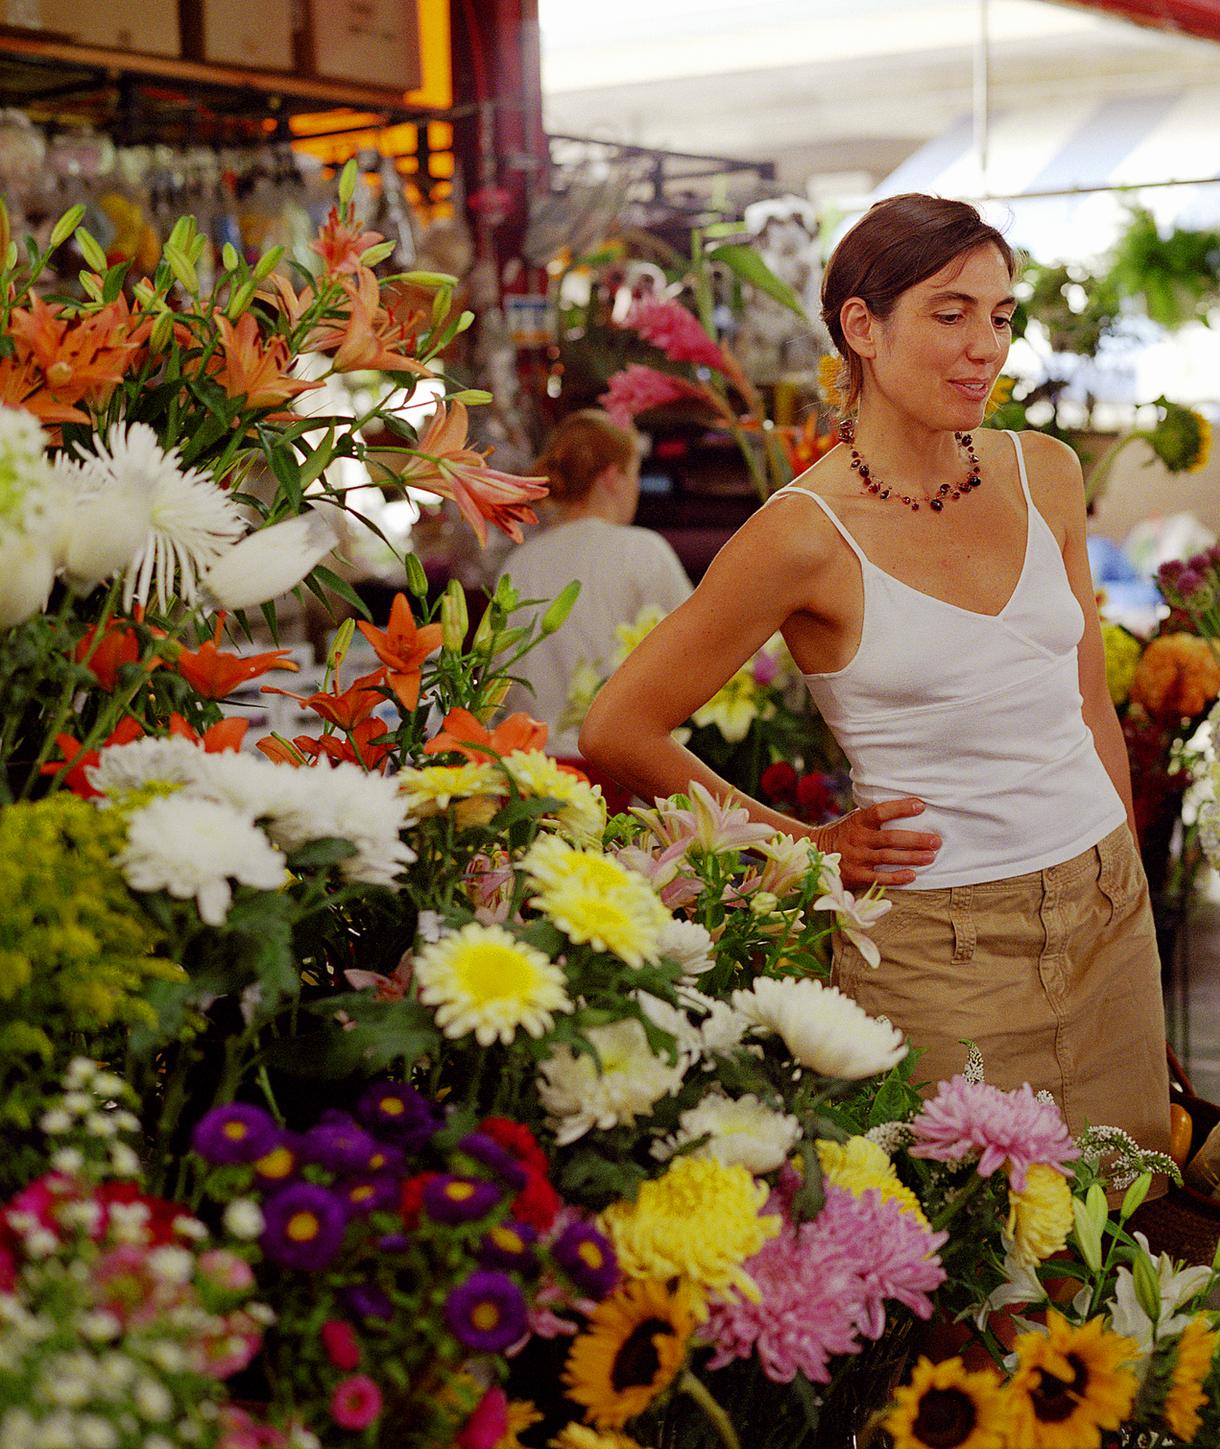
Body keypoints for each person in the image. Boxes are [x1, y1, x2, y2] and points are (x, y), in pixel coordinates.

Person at [580, 194, 1170, 1159]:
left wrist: (1130, 884)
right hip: (938, 954)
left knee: (1130, 1220)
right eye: (951, 313)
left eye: (1001, 314)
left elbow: (1088, 705)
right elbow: (619, 728)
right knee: (977, 1264)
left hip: (1109, 909)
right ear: (862, 326)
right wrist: (805, 850)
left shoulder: (1046, 473)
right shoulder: (804, 533)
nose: (987, 345)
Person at [497, 410, 693, 771]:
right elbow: (695, 660)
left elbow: (499, 687)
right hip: (619, 776)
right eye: (635, 473)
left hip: (529, 773)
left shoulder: (519, 563)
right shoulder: (643, 551)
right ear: (612, 477)